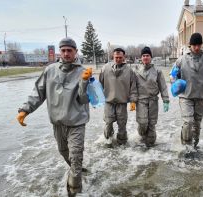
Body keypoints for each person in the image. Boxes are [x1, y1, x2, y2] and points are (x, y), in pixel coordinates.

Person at [16, 37, 92, 196]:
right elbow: (38, 93)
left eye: (69, 50)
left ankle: (75, 191)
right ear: (59, 51)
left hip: (76, 122)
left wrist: (84, 82)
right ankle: (76, 170)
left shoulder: (83, 72)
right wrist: (25, 110)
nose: (66, 53)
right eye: (63, 50)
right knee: (64, 152)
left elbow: (84, 100)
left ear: (75, 52)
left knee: (76, 157)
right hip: (58, 123)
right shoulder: (50, 70)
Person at [173, 32, 203, 149]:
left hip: (200, 96)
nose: (196, 48)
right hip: (186, 96)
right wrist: (173, 77)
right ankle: (185, 146)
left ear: (201, 45)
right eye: (194, 45)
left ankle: (194, 146)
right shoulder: (181, 59)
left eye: (198, 45)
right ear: (190, 45)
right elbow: (174, 73)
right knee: (188, 122)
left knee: (197, 124)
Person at [99, 48, 138, 146]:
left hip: (122, 102)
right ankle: (108, 141)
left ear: (124, 57)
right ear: (113, 56)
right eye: (116, 57)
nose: (118, 59)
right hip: (109, 102)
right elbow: (99, 85)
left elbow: (133, 87)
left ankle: (122, 143)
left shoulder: (129, 71)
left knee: (122, 124)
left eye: (120, 57)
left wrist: (133, 101)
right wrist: (97, 98)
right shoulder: (105, 68)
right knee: (108, 123)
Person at [133, 47, 170, 147]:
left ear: (151, 57)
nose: (145, 57)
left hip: (153, 100)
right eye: (144, 56)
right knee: (143, 122)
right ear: (141, 58)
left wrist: (166, 100)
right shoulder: (136, 70)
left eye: (147, 55)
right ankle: (141, 136)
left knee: (152, 123)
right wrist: (132, 100)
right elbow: (132, 86)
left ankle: (151, 146)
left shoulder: (157, 71)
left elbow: (163, 86)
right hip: (141, 100)